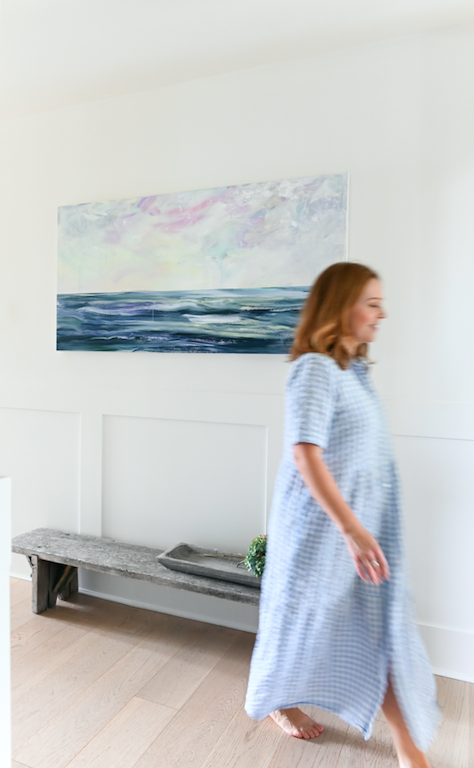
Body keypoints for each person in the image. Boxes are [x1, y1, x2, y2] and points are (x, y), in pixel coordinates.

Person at [245, 262, 440, 768]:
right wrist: (351, 528)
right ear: (340, 307)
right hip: (321, 531)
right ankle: (281, 700)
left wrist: (365, 526)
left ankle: (407, 749)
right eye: (372, 302)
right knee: (296, 622)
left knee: (382, 628)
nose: (383, 312)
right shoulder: (313, 368)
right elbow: (305, 453)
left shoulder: (355, 374)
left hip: (360, 530)